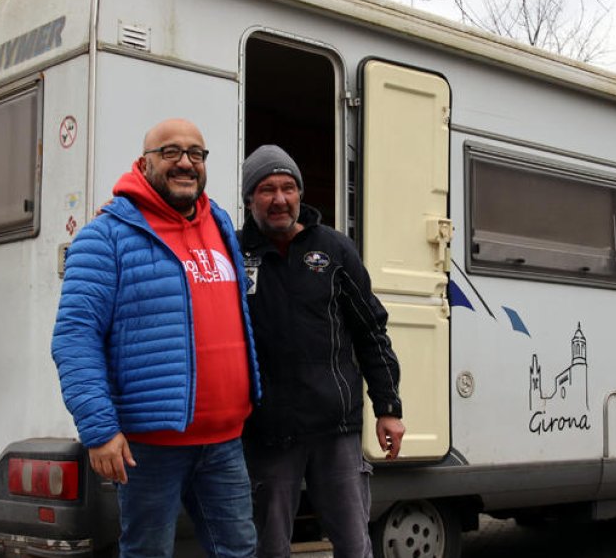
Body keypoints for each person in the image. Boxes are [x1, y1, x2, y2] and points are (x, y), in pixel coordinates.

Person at [51, 118, 260, 558]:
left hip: (224, 441)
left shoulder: (219, 225)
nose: (185, 163)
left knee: (240, 552)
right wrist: (99, 429)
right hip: (150, 447)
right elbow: (75, 337)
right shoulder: (104, 237)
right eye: (170, 152)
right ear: (144, 163)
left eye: (196, 154)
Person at [238, 144, 404, 558]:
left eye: (288, 187)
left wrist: (388, 407)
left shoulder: (334, 249)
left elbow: (371, 330)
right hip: (267, 431)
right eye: (267, 189)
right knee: (267, 549)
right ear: (248, 199)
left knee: (352, 545)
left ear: (300, 193)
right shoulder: (234, 253)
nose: (280, 199)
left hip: (336, 429)